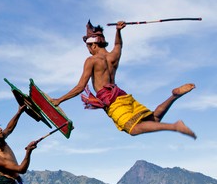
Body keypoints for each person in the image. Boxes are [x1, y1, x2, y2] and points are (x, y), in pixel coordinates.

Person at [50, 20, 196, 139]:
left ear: (93, 44)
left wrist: (59, 100)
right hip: (122, 95)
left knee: (132, 129)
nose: (88, 50)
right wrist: (118, 31)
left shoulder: (92, 60)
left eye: (88, 47)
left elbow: (80, 87)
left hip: (111, 100)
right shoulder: (113, 56)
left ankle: (175, 126)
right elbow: (118, 44)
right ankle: (174, 96)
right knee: (154, 120)